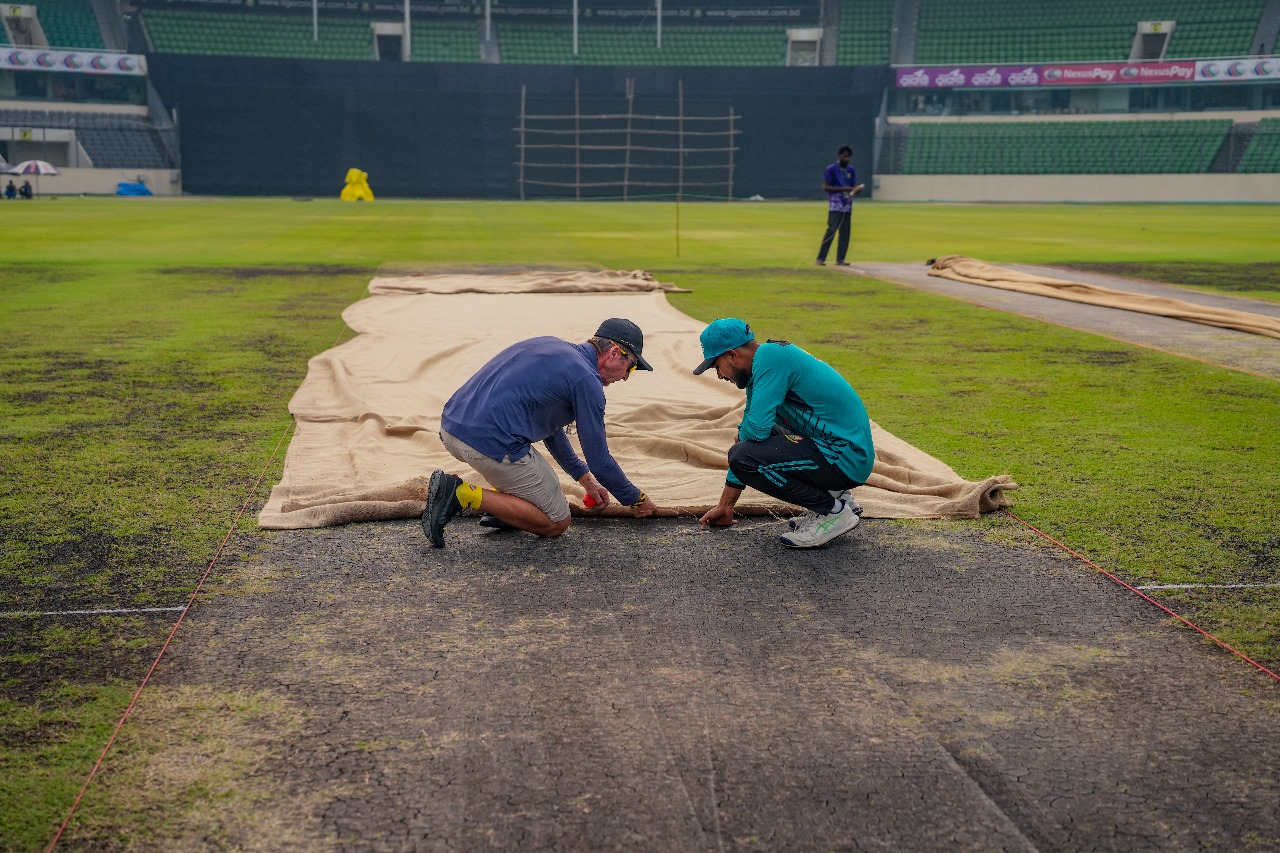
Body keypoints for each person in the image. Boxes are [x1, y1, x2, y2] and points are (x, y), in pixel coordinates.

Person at [423, 318, 661, 548]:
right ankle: (459, 492)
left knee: (547, 483)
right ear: (613, 354)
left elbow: (550, 426)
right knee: (556, 520)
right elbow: (599, 461)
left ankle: (508, 509)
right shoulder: (587, 381)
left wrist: (583, 478)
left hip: (451, 428)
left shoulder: (551, 345)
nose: (627, 376)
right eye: (631, 365)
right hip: (485, 442)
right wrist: (635, 499)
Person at [693, 318, 873, 549]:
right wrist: (726, 506)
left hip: (846, 457)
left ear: (732, 355)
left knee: (744, 455)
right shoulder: (764, 364)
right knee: (745, 447)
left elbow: (754, 432)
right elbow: (749, 432)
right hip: (843, 450)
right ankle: (838, 495)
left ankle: (832, 511)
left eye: (716, 366)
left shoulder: (770, 358)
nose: (719, 375)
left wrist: (743, 443)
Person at [815, 145, 865, 267]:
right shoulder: (831, 169)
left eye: (848, 157)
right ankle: (821, 258)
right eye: (845, 156)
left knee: (845, 233)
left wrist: (857, 190)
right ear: (840, 156)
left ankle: (840, 259)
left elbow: (852, 187)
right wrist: (842, 188)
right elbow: (826, 187)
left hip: (847, 205)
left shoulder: (851, 170)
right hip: (835, 206)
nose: (847, 159)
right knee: (831, 231)